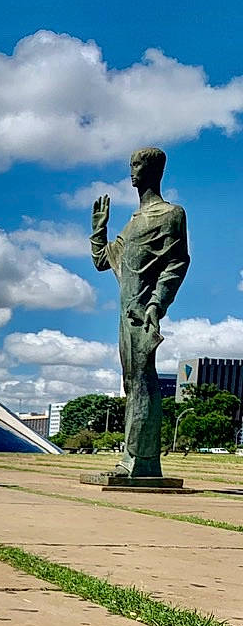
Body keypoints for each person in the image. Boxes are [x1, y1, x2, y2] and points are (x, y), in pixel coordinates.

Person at [91, 147, 189, 478]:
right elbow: (104, 261)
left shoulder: (171, 214)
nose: (132, 171)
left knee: (143, 381)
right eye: (130, 164)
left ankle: (141, 461)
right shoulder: (132, 223)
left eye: (138, 165)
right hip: (125, 312)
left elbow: (177, 262)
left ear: (155, 171)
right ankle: (132, 458)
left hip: (142, 313)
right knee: (131, 383)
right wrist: (99, 229)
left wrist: (157, 303)